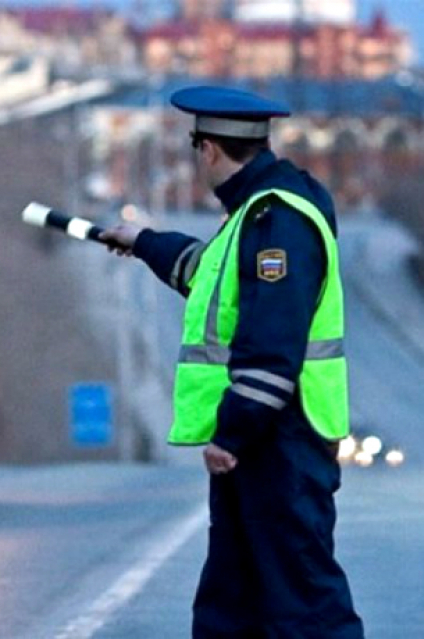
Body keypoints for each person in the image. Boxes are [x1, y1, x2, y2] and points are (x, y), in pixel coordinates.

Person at [100, 86, 364, 638]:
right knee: (234, 604)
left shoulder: (278, 222)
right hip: (264, 447)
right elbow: (205, 275)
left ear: (209, 150)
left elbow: (273, 344)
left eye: (195, 148)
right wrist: (143, 241)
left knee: (303, 604)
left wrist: (233, 433)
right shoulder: (255, 215)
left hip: (280, 442)